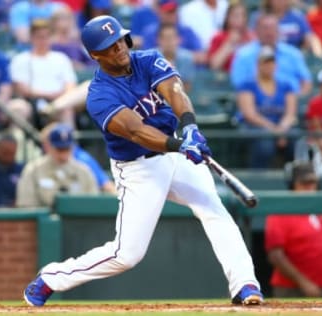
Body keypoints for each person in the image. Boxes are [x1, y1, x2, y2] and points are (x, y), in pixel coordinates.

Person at [23, 15, 263, 307]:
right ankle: (51, 278)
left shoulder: (147, 59)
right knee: (127, 255)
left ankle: (245, 284)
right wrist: (178, 144)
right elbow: (136, 131)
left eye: (121, 41)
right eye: (110, 47)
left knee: (214, 210)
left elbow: (175, 91)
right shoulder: (99, 95)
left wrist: (189, 127)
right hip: (139, 168)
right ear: (95, 55)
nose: (120, 49)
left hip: (177, 153)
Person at [264, 161, 322, 297]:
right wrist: (304, 283)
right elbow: (276, 256)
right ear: (292, 184)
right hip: (294, 290)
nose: (310, 187)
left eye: (313, 183)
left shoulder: (317, 212)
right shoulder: (280, 212)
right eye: (304, 183)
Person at [235, 45, 298, 168]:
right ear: (258, 65)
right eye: (265, 62)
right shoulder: (247, 85)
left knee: (296, 141)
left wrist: (282, 129)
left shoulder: (286, 85)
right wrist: (274, 130)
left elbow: (290, 113)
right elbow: (250, 115)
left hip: (281, 127)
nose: (269, 66)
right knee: (265, 145)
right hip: (256, 128)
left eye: (271, 62)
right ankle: (258, 177)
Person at [10, 19, 78, 128]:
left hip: (59, 103)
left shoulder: (61, 58)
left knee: (66, 108)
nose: (43, 40)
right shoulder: (21, 59)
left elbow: (70, 85)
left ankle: (70, 144)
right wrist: (49, 95)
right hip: (31, 103)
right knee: (19, 108)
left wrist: (59, 97)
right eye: (39, 37)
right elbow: (21, 88)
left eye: (46, 36)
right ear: (32, 38)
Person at [16, 123, 98, 207]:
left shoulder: (83, 171)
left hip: (78, 218)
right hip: (44, 218)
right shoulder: (34, 170)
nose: (63, 154)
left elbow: (93, 205)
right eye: (59, 149)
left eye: (66, 149)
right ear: (49, 147)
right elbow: (26, 204)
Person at [231, 13, 312, 95]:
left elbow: (306, 81)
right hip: (255, 103)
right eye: (265, 28)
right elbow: (238, 84)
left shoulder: (293, 54)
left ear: (278, 30)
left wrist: (298, 98)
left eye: (272, 28)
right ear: (256, 30)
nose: (269, 32)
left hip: (291, 100)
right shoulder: (243, 55)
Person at [251, 0, 322, 58]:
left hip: (294, 56)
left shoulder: (297, 17)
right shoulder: (260, 17)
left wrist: (314, 54)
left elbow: (309, 37)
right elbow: (254, 39)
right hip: (265, 56)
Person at [140, 0, 205, 64]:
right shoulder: (150, 32)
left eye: (174, 11)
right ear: (159, 12)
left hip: (183, 70)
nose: (172, 15)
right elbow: (147, 58)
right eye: (168, 12)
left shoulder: (187, 31)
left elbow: (200, 56)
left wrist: (181, 56)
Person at [208, 2, 254, 72]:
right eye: (236, 16)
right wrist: (229, 43)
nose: (240, 19)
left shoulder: (251, 37)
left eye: (243, 16)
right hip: (225, 78)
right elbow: (214, 65)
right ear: (227, 18)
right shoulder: (219, 37)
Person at [156, 23, 196, 92]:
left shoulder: (186, 57)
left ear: (178, 39)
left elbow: (187, 86)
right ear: (158, 40)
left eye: (171, 38)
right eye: (165, 38)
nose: (168, 42)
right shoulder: (152, 58)